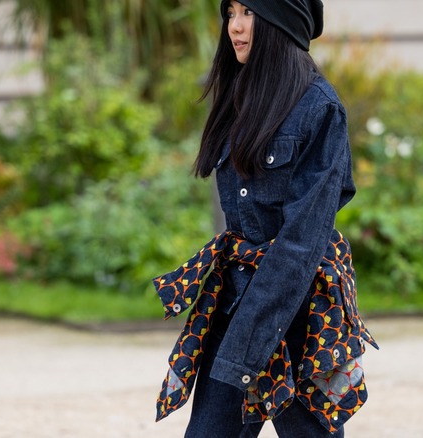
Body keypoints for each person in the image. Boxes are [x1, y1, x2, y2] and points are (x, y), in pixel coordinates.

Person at [152, 1, 379, 436]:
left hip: (299, 314)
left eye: (248, 12)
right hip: (235, 298)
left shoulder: (320, 109)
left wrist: (250, 339)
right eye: (230, 11)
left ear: (281, 21)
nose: (234, 27)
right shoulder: (240, 96)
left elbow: (301, 241)